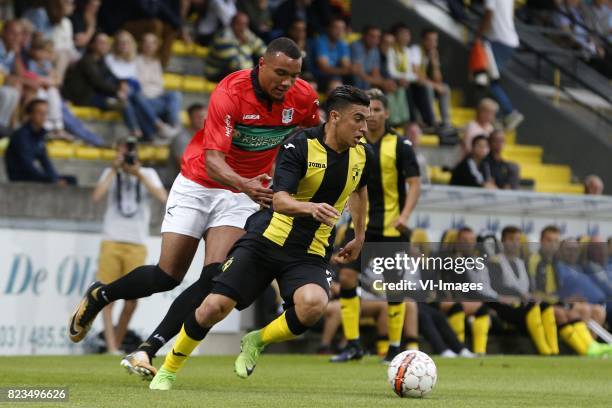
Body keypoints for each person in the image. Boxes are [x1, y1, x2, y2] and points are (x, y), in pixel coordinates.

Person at [67, 38, 320, 380]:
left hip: (241, 196)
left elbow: (315, 135)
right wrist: (247, 183)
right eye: (280, 73)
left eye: (294, 75)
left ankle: (147, 349)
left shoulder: (301, 96)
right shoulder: (230, 92)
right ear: (261, 65)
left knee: (215, 277)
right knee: (166, 275)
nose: (287, 82)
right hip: (199, 183)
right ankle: (101, 295)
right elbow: (215, 162)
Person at [148, 85, 372, 390]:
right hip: (266, 241)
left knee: (313, 305)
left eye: (366, 119)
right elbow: (278, 200)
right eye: (358, 119)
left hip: (309, 251)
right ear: (334, 117)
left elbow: (359, 190)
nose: (364, 127)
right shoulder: (300, 146)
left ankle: (258, 340)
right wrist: (309, 207)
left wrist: (359, 236)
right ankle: (169, 368)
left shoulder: (362, 155)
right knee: (213, 307)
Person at [331, 88, 421, 363]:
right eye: (368, 111)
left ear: (387, 114)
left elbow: (414, 184)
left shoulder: (401, 145)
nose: (372, 116)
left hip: (392, 226)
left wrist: (404, 215)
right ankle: (353, 343)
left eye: (378, 110)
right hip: (361, 225)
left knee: (395, 287)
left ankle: (394, 346)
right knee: (347, 276)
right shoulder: (351, 143)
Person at [92, 138, 168, 354]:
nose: (126, 155)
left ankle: (116, 340)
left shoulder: (148, 173)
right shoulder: (110, 172)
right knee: (105, 295)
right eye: (122, 151)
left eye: (129, 151)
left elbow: (164, 198)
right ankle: (111, 345)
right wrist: (113, 171)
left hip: (136, 242)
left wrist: (139, 174)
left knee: (132, 300)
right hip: (111, 239)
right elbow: (96, 196)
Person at [477, 0, 524, 131]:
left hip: (498, 41)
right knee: (490, 80)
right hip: (507, 41)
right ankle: (495, 116)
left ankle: (509, 112)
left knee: (489, 81)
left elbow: (489, 14)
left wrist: (479, 36)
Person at [5, 99, 73, 185]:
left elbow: (46, 162)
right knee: (52, 181)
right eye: (39, 113)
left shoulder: (40, 134)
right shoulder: (21, 136)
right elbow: (27, 166)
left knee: (71, 180)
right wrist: (52, 180)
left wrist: (55, 178)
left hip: (34, 176)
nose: (43, 116)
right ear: (30, 115)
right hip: (21, 178)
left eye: (45, 113)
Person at [204, 12, 266, 82]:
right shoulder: (223, 38)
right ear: (232, 24)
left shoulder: (244, 32)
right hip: (215, 73)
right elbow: (235, 64)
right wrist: (244, 44)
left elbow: (262, 48)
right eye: (240, 24)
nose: (243, 28)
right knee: (246, 76)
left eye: (245, 25)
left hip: (233, 69)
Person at [350, 25, 395, 92]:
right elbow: (359, 74)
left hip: (365, 81)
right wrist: (382, 83)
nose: (375, 40)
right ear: (364, 36)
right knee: (361, 81)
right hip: (352, 81)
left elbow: (375, 73)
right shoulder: (356, 46)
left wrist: (386, 82)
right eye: (372, 36)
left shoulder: (375, 50)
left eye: (378, 37)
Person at [312, 17, 351, 91]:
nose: (339, 31)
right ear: (329, 28)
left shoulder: (342, 44)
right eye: (336, 28)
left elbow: (346, 66)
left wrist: (344, 70)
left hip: (334, 76)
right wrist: (343, 70)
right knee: (336, 84)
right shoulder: (321, 41)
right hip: (318, 77)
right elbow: (324, 68)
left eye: (342, 28)